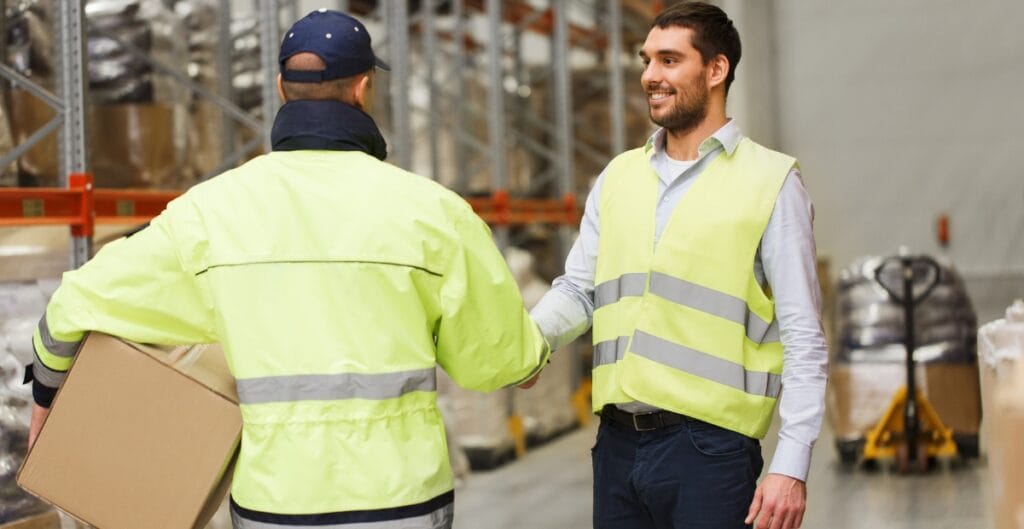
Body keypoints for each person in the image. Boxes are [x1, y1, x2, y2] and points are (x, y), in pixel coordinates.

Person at [26, 9, 549, 529]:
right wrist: (536, 353)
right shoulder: (435, 213)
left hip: (274, 507)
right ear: (364, 89)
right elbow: (504, 363)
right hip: (402, 503)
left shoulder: (209, 214)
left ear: (280, 88)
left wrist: (49, 398)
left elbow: (73, 305)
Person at [530, 3, 828, 529]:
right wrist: (527, 346)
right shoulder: (619, 176)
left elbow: (804, 336)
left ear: (716, 70)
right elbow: (579, 290)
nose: (650, 76)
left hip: (711, 452)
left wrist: (792, 463)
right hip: (618, 446)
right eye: (647, 60)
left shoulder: (772, 183)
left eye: (669, 60)